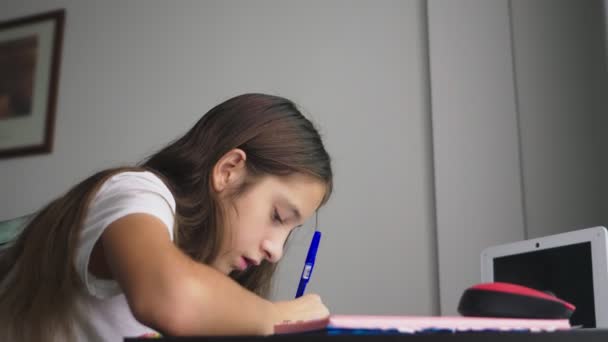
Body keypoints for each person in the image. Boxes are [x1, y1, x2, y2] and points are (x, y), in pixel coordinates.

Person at [0, 93, 333, 341]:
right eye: (277, 216)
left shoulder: (206, 281)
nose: (276, 250)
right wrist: (275, 316)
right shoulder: (136, 193)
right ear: (229, 170)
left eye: (290, 231)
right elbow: (170, 298)